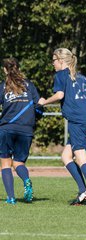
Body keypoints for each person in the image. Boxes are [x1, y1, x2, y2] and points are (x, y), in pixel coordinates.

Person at [38, 48, 86, 206]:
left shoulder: (61, 75)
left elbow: (60, 95)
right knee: (66, 156)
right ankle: (83, 192)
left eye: (54, 60)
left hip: (77, 120)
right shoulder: (81, 77)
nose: (52, 64)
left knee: (81, 157)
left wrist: (44, 102)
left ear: (61, 60)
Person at [0, 58, 39, 204]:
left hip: (7, 128)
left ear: (5, 70)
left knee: (5, 164)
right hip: (26, 129)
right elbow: (39, 104)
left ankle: (11, 198)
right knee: (18, 163)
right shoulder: (29, 85)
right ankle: (26, 180)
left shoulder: (3, 86)